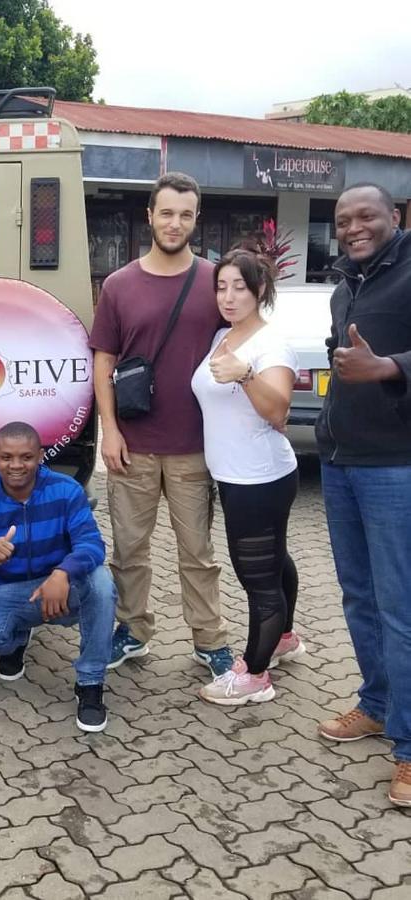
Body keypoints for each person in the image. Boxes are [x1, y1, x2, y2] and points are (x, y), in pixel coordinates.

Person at [89, 172, 232, 676]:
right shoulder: (119, 285)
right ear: (149, 215)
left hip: (195, 445)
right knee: (129, 550)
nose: (175, 223)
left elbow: (242, 341)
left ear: (196, 220)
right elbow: (102, 361)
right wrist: (109, 430)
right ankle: (132, 630)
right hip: (134, 445)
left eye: (185, 214)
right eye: (166, 212)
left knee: (198, 551)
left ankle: (209, 639)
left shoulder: (216, 282)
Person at [313, 184, 411, 808]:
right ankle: (376, 705)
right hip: (340, 463)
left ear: (395, 217)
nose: (353, 227)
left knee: (401, 608)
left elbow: (377, 367)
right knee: (359, 598)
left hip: (394, 467)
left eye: (366, 216)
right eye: (344, 219)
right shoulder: (345, 284)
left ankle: (409, 747)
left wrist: (391, 367)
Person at [191, 248, 303, 705]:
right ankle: (284, 639)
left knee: (256, 576)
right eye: (221, 286)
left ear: (260, 290)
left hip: (261, 479)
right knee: (276, 560)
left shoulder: (271, 345)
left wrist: (245, 374)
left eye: (240, 287)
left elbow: (278, 411)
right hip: (237, 477)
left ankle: (255, 676)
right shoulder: (223, 334)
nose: (229, 296)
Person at [0, 422, 117, 732]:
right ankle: (17, 637)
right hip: (9, 591)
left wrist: (62, 573)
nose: (16, 465)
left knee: (101, 583)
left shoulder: (66, 489)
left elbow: (92, 544)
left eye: (26, 457)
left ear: (40, 456)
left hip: (58, 588)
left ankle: (90, 683)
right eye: (6, 457)